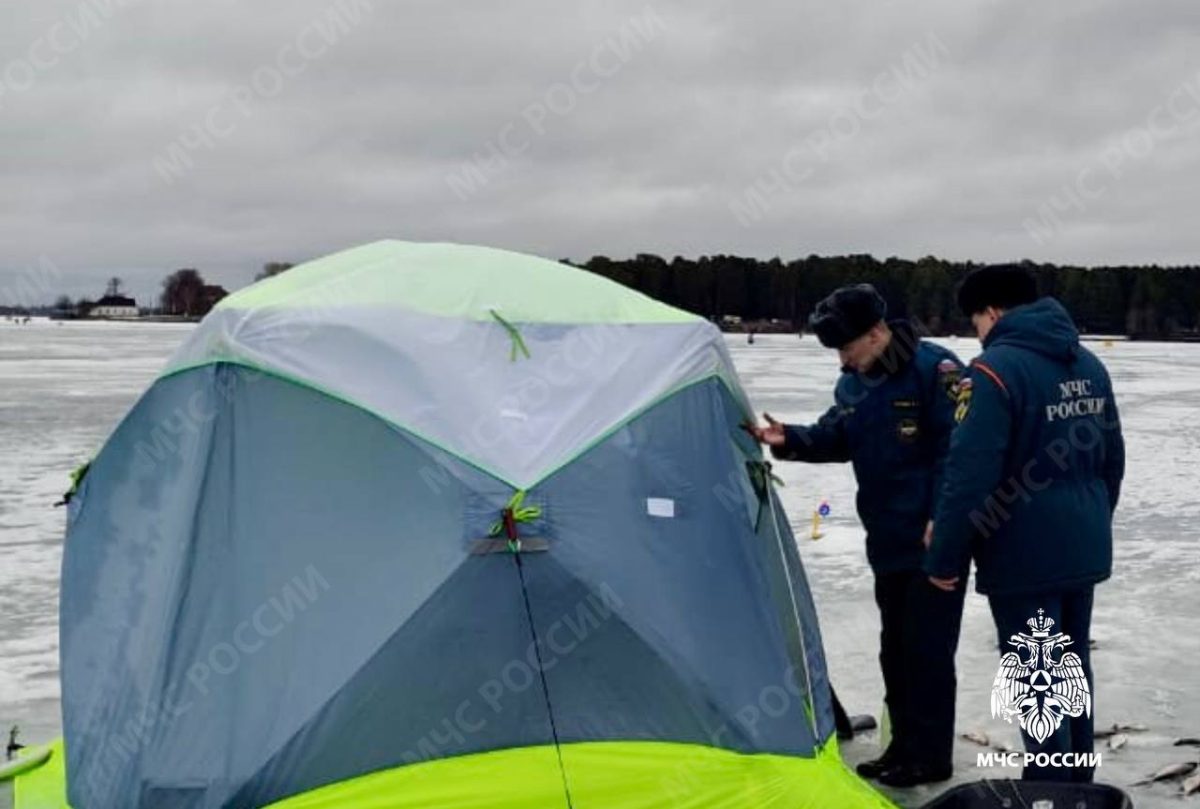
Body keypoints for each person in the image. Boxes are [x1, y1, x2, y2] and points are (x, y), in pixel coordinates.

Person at [745, 284, 967, 787]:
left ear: (877, 333)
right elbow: (839, 435)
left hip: (935, 541)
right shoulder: (853, 385)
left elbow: (962, 452)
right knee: (896, 651)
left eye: (848, 349)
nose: (843, 362)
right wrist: (792, 439)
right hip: (887, 539)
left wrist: (946, 519)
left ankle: (930, 757)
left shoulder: (938, 372)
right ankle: (904, 747)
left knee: (927, 652)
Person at [925, 266, 1125, 783]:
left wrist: (945, 557)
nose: (977, 333)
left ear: (991, 312)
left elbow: (968, 476)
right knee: (1071, 670)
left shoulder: (991, 372)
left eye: (975, 321)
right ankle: (1078, 787)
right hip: (1081, 546)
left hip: (1022, 552)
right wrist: (1090, 524)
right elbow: (1112, 459)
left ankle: (1049, 790)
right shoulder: (1089, 363)